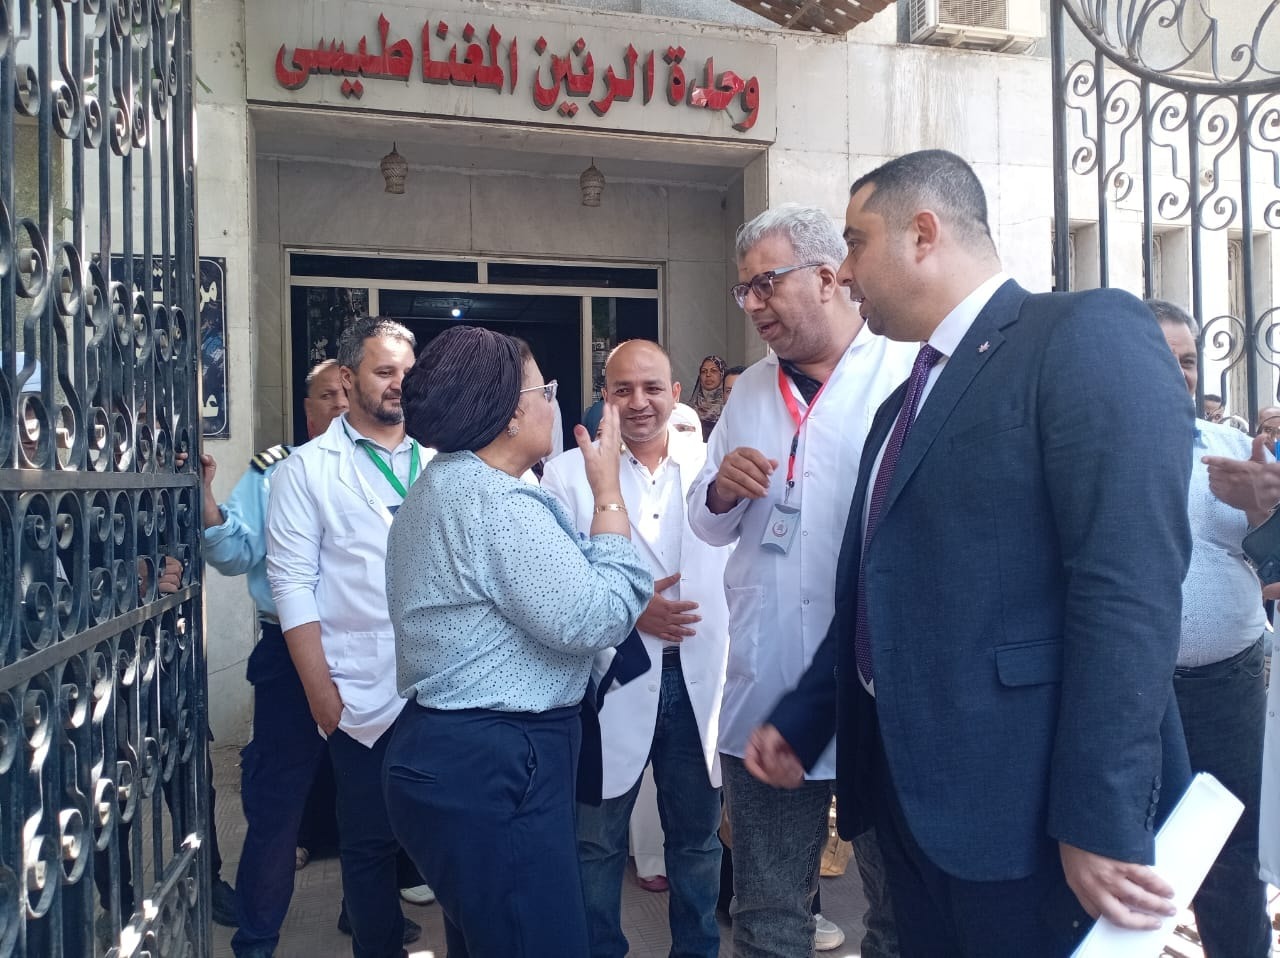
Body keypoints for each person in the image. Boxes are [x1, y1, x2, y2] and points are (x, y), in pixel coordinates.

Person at [748, 150, 1194, 958]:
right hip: (910, 803)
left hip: (1026, 817)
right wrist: (806, 717)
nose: (843, 273)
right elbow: (883, 590)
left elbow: (1127, 587)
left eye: (856, 243)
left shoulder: (1081, 335)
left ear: (923, 234)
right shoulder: (903, 402)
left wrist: (1100, 814)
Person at [382, 326, 653, 957]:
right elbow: (599, 616)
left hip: (455, 754)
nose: (554, 403)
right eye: (545, 390)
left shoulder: (445, 484)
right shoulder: (496, 502)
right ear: (509, 412)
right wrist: (609, 495)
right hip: (497, 763)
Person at [687, 203, 911, 957]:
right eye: (743, 290)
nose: (753, 305)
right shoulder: (749, 390)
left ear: (826, 276)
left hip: (878, 687)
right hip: (773, 684)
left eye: (766, 284)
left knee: (901, 908)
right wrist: (721, 490)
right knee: (768, 910)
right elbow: (706, 523)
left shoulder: (904, 373)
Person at [203, 359, 426, 957]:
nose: (341, 403)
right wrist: (207, 502)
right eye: (329, 394)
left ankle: (365, 913)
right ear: (308, 410)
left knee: (371, 799)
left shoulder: (408, 463)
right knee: (278, 803)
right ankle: (257, 938)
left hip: (378, 654)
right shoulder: (277, 468)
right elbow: (234, 553)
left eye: (347, 392)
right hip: (290, 654)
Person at [543, 339, 732, 958]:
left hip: (698, 677)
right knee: (595, 842)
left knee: (697, 841)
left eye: (652, 388)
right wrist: (633, 608)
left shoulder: (711, 468)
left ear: (676, 394)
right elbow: (556, 578)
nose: (639, 402)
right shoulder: (567, 473)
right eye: (622, 389)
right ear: (605, 397)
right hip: (611, 679)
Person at [267, 317, 426, 958]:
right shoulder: (305, 471)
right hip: (360, 691)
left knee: (447, 838)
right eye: (384, 371)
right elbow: (292, 586)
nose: (398, 384)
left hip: (444, 685)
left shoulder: (442, 457)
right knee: (368, 844)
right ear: (347, 376)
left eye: (408, 372)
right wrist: (321, 695)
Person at [1146, 299, 1271, 958]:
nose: (1180, 373)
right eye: (1162, 357)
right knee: (1133, 854)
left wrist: (1263, 512)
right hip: (1137, 691)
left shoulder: (1238, 453)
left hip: (1230, 687)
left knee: (1233, 855)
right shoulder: (1092, 450)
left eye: (1189, 360)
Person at [688, 355, 727, 440]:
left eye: (714, 371)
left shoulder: (728, 409)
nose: (708, 374)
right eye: (704, 371)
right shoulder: (689, 410)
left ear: (722, 374)